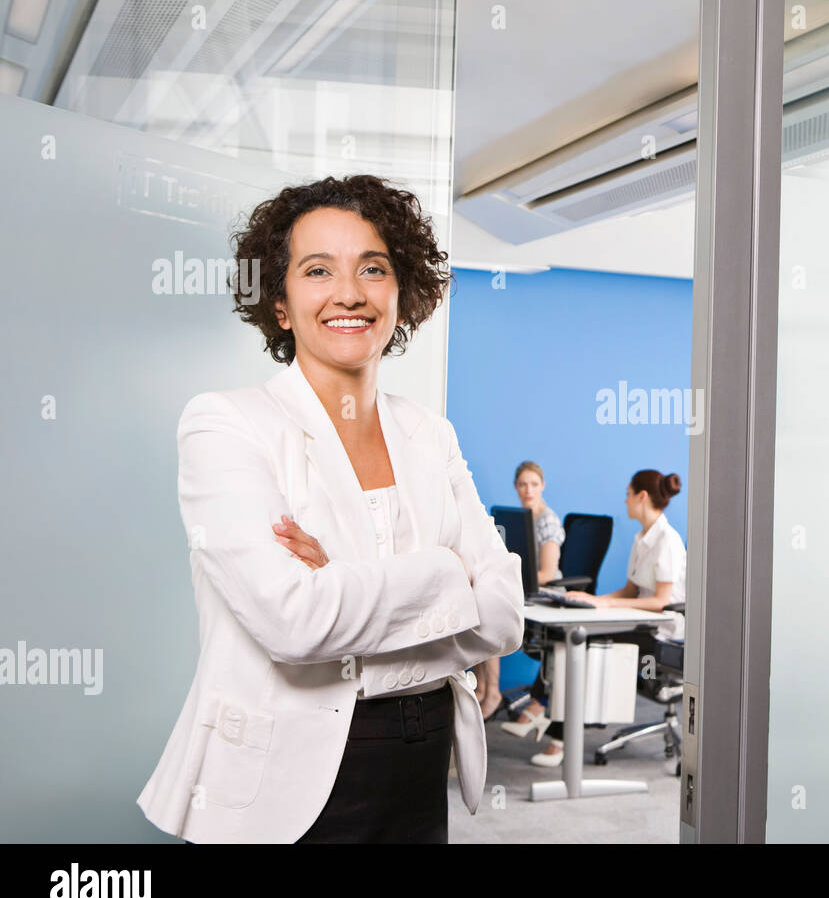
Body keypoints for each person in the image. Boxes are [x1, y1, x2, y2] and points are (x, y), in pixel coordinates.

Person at [135, 174, 525, 844]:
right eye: (318, 270)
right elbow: (295, 623)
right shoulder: (227, 424)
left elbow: (503, 616)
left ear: (401, 293)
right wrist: (447, 573)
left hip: (422, 764)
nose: (349, 293)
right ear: (280, 304)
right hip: (284, 780)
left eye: (373, 268)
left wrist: (339, 576)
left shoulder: (431, 434)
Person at [501, 469, 685, 766]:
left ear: (642, 497)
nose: (624, 501)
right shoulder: (642, 539)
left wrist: (608, 606)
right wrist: (594, 600)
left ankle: (558, 737)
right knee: (572, 634)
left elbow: (662, 602)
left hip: (662, 632)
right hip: (639, 620)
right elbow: (630, 591)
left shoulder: (668, 541)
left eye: (628, 494)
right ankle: (540, 706)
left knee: (583, 640)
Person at [473, 460, 563, 719]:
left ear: (543, 485)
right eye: (523, 484)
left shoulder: (548, 521)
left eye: (534, 484)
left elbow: (547, 573)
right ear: (515, 486)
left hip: (546, 592)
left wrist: (509, 582)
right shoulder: (519, 517)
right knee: (479, 606)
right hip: (523, 589)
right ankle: (481, 688)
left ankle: (492, 693)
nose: (528, 490)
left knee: (491, 613)